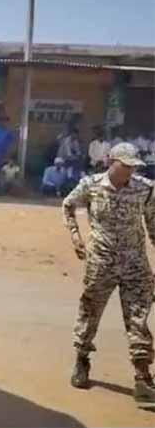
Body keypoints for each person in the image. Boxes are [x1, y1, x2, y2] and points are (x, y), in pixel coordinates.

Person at [63, 142, 155, 408]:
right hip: (101, 262)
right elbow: (68, 205)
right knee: (90, 312)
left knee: (139, 317)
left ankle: (143, 378)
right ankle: (82, 360)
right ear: (110, 162)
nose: (129, 171)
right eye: (124, 165)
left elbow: (153, 224)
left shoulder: (146, 189)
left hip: (135, 264)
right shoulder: (91, 185)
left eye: (133, 166)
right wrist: (76, 237)